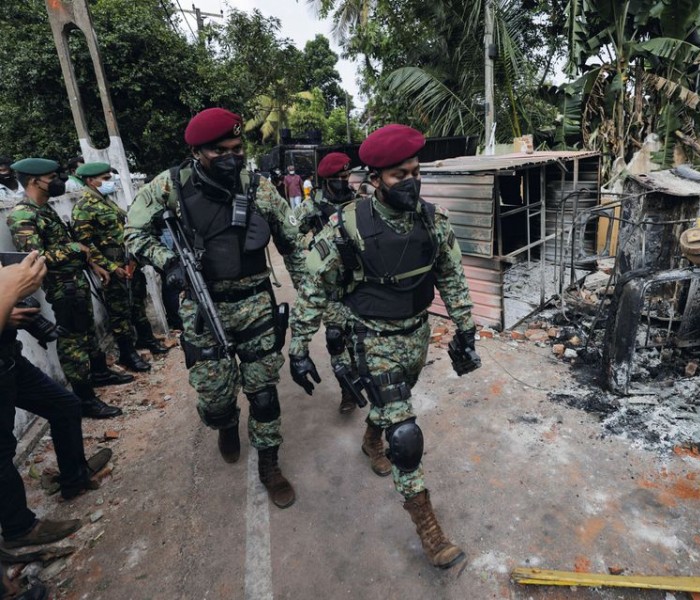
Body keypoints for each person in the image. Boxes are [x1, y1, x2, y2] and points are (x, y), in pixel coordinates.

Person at [289, 124, 479, 569]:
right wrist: (298, 346)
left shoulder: (433, 221)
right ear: (374, 179)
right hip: (371, 336)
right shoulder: (346, 226)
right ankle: (430, 532)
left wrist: (465, 328)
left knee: (394, 403)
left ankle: (370, 438)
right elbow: (315, 288)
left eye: (416, 171)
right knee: (406, 433)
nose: (412, 181)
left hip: (416, 334)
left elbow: (451, 274)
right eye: (399, 175)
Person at [125, 108, 307, 509]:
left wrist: (312, 294)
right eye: (220, 151)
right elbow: (133, 231)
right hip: (203, 311)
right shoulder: (169, 187)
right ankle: (225, 423)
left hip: (256, 303)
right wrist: (168, 262)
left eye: (237, 148)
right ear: (196, 151)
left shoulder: (258, 188)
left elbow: (293, 245)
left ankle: (270, 464)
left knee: (263, 393)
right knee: (215, 397)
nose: (232, 157)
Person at [1, 251, 111, 561]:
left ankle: (74, 478)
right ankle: (19, 529)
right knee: (1, 452)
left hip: (9, 358)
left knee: (65, 405)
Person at [6, 158, 128, 419]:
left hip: (76, 281)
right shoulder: (22, 214)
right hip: (63, 288)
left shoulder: (44, 208)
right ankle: (85, 400)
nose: (58, 181)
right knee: (73, 343)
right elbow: (34, 258)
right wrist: (75, 248)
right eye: (52, 177)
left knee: (87, 335)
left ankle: (100, 374)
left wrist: (92, 263)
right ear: (33, 181)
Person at [73, 162, 168, 373]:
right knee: (119, 313)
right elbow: (86, 244)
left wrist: (133, 259)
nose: (110, 182)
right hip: (112, 269)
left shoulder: (106, 201)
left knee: (136, 304)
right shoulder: (83, 208)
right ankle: (128, 354)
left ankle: (146, 340)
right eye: (105, 179)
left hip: (128, 262)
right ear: (90, 181)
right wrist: (110, 267)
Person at [292, 152, 359, 415]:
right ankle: (348, 393)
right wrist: (311, 249)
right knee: (336, 340)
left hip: (358, 287)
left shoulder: (360, 204)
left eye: (346, 176)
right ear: (325, 180)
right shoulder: (310, 208)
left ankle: (361, 380)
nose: (344, 181)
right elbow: (288, 235)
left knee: (361, 341)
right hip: (331, 290)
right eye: (338, 178)